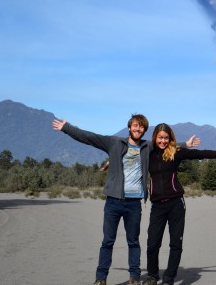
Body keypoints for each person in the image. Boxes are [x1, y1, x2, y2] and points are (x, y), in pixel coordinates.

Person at [52, 115, 200, 285]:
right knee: (107, 241)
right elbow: (89, 137)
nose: (138, 129)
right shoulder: (114, 142)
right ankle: (101, 278)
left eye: (142, 127)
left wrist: (186, 144)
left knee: (133, 242)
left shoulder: (146, 146)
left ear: (144, 130)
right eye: (135, 126)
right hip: (114, 201)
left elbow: (165, 144)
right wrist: (66, 127)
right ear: (129, 127)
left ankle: (135, 277)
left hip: (134, 203)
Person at [142, 123, 216, 285]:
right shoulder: (148, 153)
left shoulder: (176, 152)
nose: (163, 141)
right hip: (157, 206)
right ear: (155, 138)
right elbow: (129, 155)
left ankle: (168, 279)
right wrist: (112, 163)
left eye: (166, 138)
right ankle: (152, 275)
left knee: (175, 243)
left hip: (176, 204)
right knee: (152, 244)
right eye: (160, 138)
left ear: (170, 139)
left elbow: (199, 154)